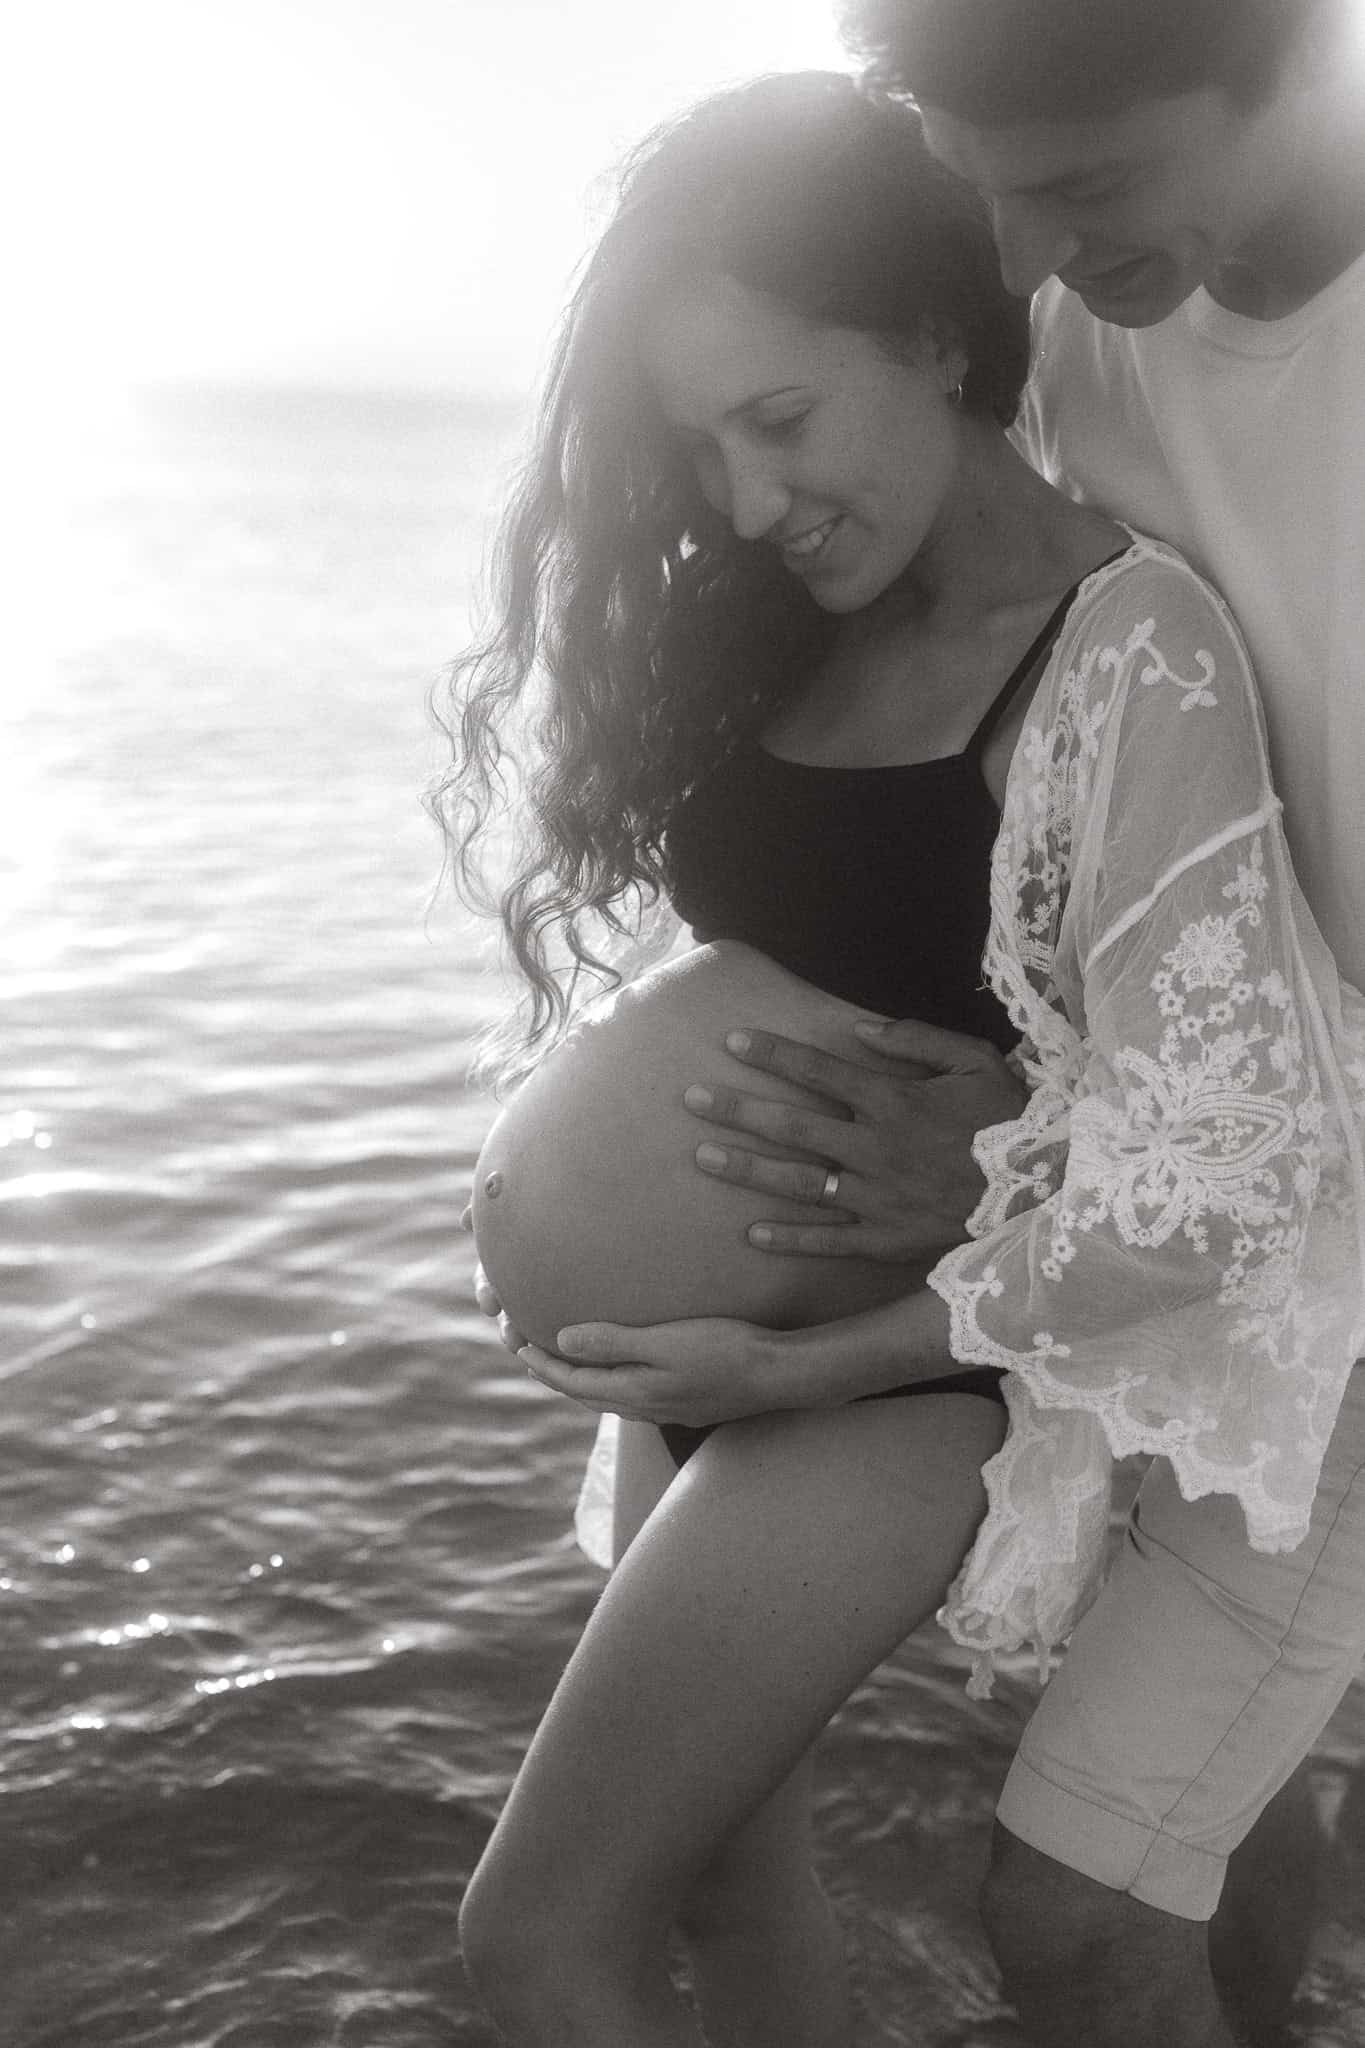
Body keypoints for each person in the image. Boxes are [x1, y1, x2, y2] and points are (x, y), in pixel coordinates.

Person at [437, 70, 1365, 2048]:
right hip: (726, 1352)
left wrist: (798, 1355)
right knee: (717, 1878)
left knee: (537, 1939)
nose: (741, 498)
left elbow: (1221, 1142)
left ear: (934, 342)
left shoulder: (1128, 647)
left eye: (775, 420)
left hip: (886, 1364)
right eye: (700, 446)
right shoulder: (798, 600)